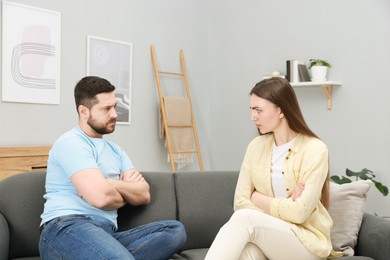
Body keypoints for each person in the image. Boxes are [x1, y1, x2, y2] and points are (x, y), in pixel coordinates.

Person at [39, 76, 187, 260]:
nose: (115, 114)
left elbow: (143, 195)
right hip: (66, 229)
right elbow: (101, 198)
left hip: (106, 234)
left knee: (175, 231)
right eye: (106, 108)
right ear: (84, 111)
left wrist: (109, 183)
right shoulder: (71, 143)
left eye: (115, 106)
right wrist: (124, 190)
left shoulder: (117, 151)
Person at [205, 77, 342, 260]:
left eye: (258, 110)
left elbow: (300, 213)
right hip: (273, 239)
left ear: (281, 110)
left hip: (306, 244)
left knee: (245, 218)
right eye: (252, 110)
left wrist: (257, 197)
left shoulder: (315, 150)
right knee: (246, 255)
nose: (252, 117)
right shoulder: (256, 147)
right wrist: (285, 206)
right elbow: (240, 202)